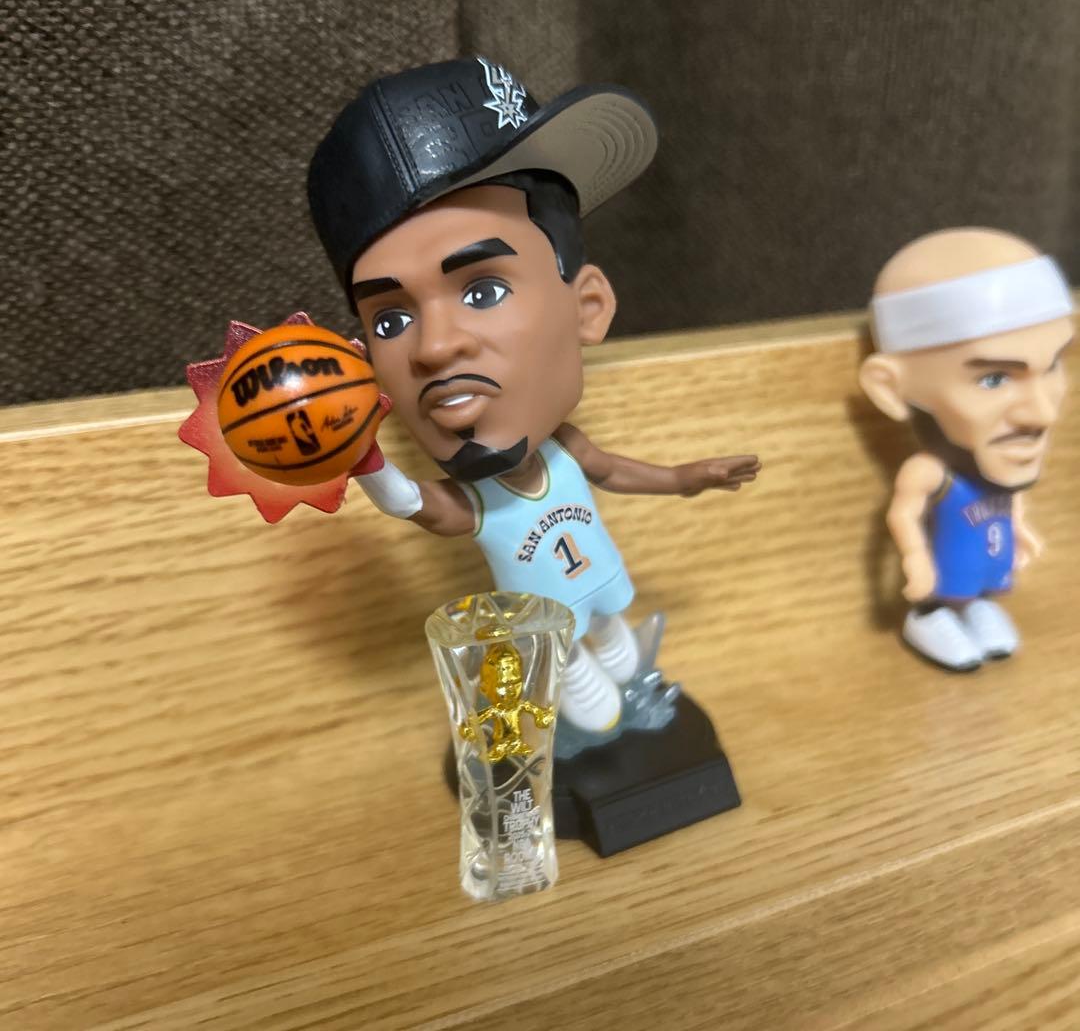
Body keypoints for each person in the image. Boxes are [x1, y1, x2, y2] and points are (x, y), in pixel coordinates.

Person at [307, 56, 760, 731]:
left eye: (483, 290)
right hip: (550, 626)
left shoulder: (565, 450)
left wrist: (684, 479)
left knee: (625, 656)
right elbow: (410, 503)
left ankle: (631, 705)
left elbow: (614, 470)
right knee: (587, 699)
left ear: (588, 307)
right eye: (391, 321)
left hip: (601, 588)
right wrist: (359, 456)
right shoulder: (477, 503)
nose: (434, 348)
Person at [860, 228, 1074, 671]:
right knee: (951, 585)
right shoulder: (930, 472)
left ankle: (976, 610)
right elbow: (903, 516)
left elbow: (1011, 497)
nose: (1044, 413)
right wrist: (916, 561)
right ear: (890, 389)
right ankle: (929, 618)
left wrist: (1021, 528)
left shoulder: (994, 469)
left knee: (981, 583)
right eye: (994, 379)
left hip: (987, 561)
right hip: (944, 571)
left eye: (1053, 363)